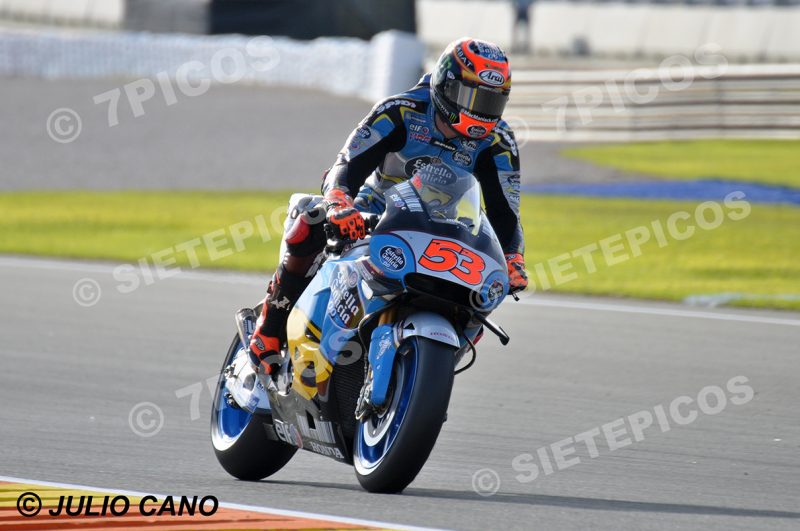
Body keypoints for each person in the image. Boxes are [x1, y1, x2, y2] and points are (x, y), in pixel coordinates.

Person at [249, 38, 528, 374]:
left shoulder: (498, 141)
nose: (483, 111)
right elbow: (347, 164)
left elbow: (506, 213)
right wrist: (339, 202)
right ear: (447, 85)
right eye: (474, 98)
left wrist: (513, 258)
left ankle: (425, 371)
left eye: (492, 102)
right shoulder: (400, 110)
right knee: (313, 217)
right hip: (376, 213)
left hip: (445, 230)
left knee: (486, 288)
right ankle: (268, 327)